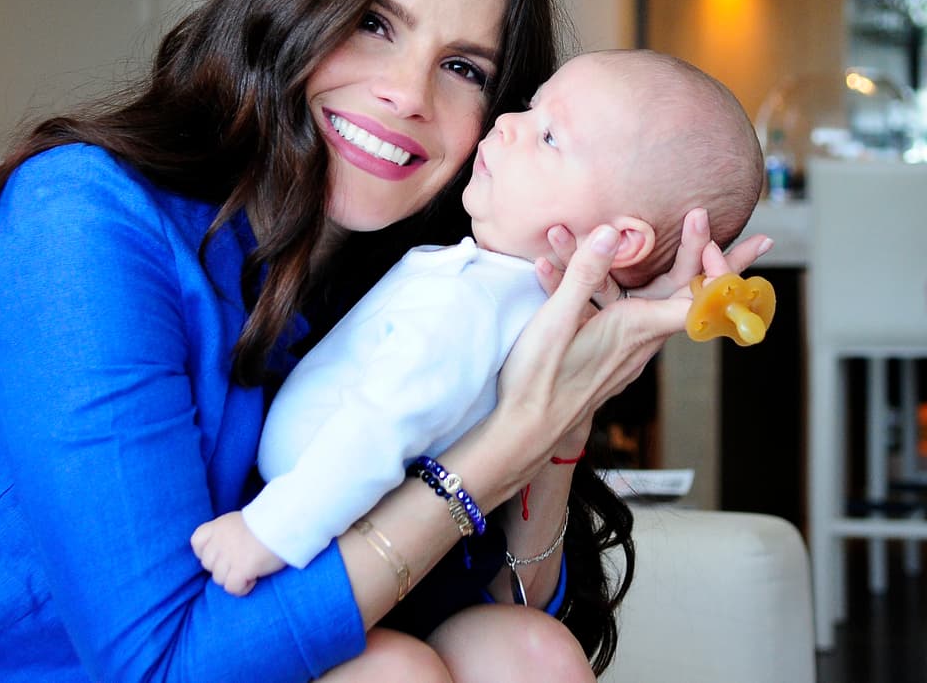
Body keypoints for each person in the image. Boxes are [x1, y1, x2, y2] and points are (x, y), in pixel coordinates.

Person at [0, 0, 770, 683]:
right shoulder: (82, 217)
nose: (406, 94)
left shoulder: (407, 280)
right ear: (287, 6)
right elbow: (157, 664)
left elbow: (485, 602)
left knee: (527, 653)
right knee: (393, 673)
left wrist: (556, 429)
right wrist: (499, 443)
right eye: (372, 22)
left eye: (463, 67)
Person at [190, 49, 763, 609]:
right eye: (529, 108)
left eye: (550, 138)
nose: (508, 125)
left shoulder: (470, 302)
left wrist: (269, 532)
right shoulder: (513, 300)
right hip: (382, 540)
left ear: (622, 240)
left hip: (341, 538)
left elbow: (384, 425)